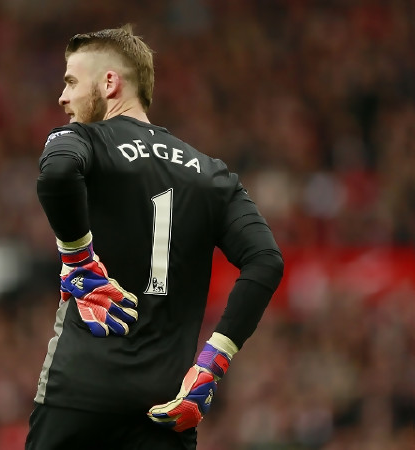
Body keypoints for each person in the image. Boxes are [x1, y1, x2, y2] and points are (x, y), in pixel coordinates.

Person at [26, 24, 284, 450]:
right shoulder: (213, 175)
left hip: (79, 394)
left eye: (71, 81)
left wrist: (78, 259)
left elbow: (56, 174)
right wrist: (214, 360)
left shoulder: (83, 139)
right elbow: (266, 260)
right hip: (166, 408)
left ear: (110, 83)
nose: (62, 97)